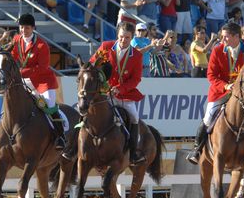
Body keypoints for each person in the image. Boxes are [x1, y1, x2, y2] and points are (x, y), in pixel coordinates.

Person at [186, 22, 244, 167]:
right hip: (220, 92)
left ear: (236, 36)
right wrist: (226, 86)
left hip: (243, 94)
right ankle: (197, 150)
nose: (222, 40)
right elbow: (211, 75)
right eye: (222, 37)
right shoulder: (217, 51)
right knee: (208, 117)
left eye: (225, 37)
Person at [77, 22, 145, 164]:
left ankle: (134, 153)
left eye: (127, 37)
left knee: (134, 117)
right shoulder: (106, 47)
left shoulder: (137, 55)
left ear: (132, 38)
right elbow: (91, 65)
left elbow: (136, 79)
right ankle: (72, 148)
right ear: (117, 35)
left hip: (124, 94)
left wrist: (121, 88)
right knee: (84, 110)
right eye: (121, 37)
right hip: (103, 92)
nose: (123, 40)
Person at [10, 13, 65, 150]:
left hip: (43, 83)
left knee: (49, 106)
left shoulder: (41, 45)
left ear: (33, 28)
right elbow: (12, 57)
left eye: (27, 28)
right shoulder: (17, 40)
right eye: (21, 27)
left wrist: (20, 73)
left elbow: (42, 67)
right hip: (25, 81)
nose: (24, 30)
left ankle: (60, 137)